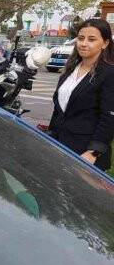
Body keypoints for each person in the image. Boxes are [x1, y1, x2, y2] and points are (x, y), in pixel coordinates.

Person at [48, 18, 114, 170]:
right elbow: (59, 110)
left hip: (85, 154)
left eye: (91, 39)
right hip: (58, 145)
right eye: (81, 38)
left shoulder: (109, 73)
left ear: (105, 43)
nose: (84, 43)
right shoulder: (70, 69)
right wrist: (49, 135)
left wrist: (93, 152)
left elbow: (109, 117)